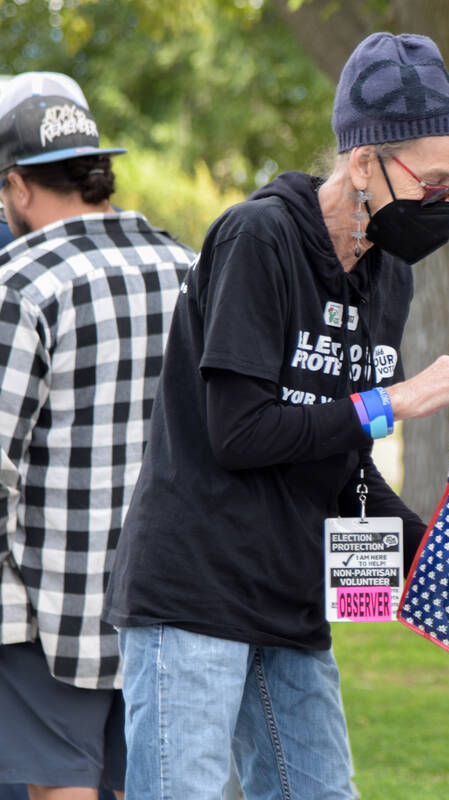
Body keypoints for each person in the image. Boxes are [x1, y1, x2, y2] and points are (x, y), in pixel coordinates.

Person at [102, 32, 449, 798]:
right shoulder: (258, 237)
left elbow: (343, 463)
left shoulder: (388, 277)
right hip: (195, 594)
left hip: (293, 600)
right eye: (434, 182)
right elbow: (240, 433)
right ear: (365, 160)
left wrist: (439, 554)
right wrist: (390, 403)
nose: (442, 202)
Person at [0, 72, 194, 799]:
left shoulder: (19, 283)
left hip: (44, 609)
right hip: (165, 600)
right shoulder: (189, 268)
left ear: (19, 186)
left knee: (57, 788)